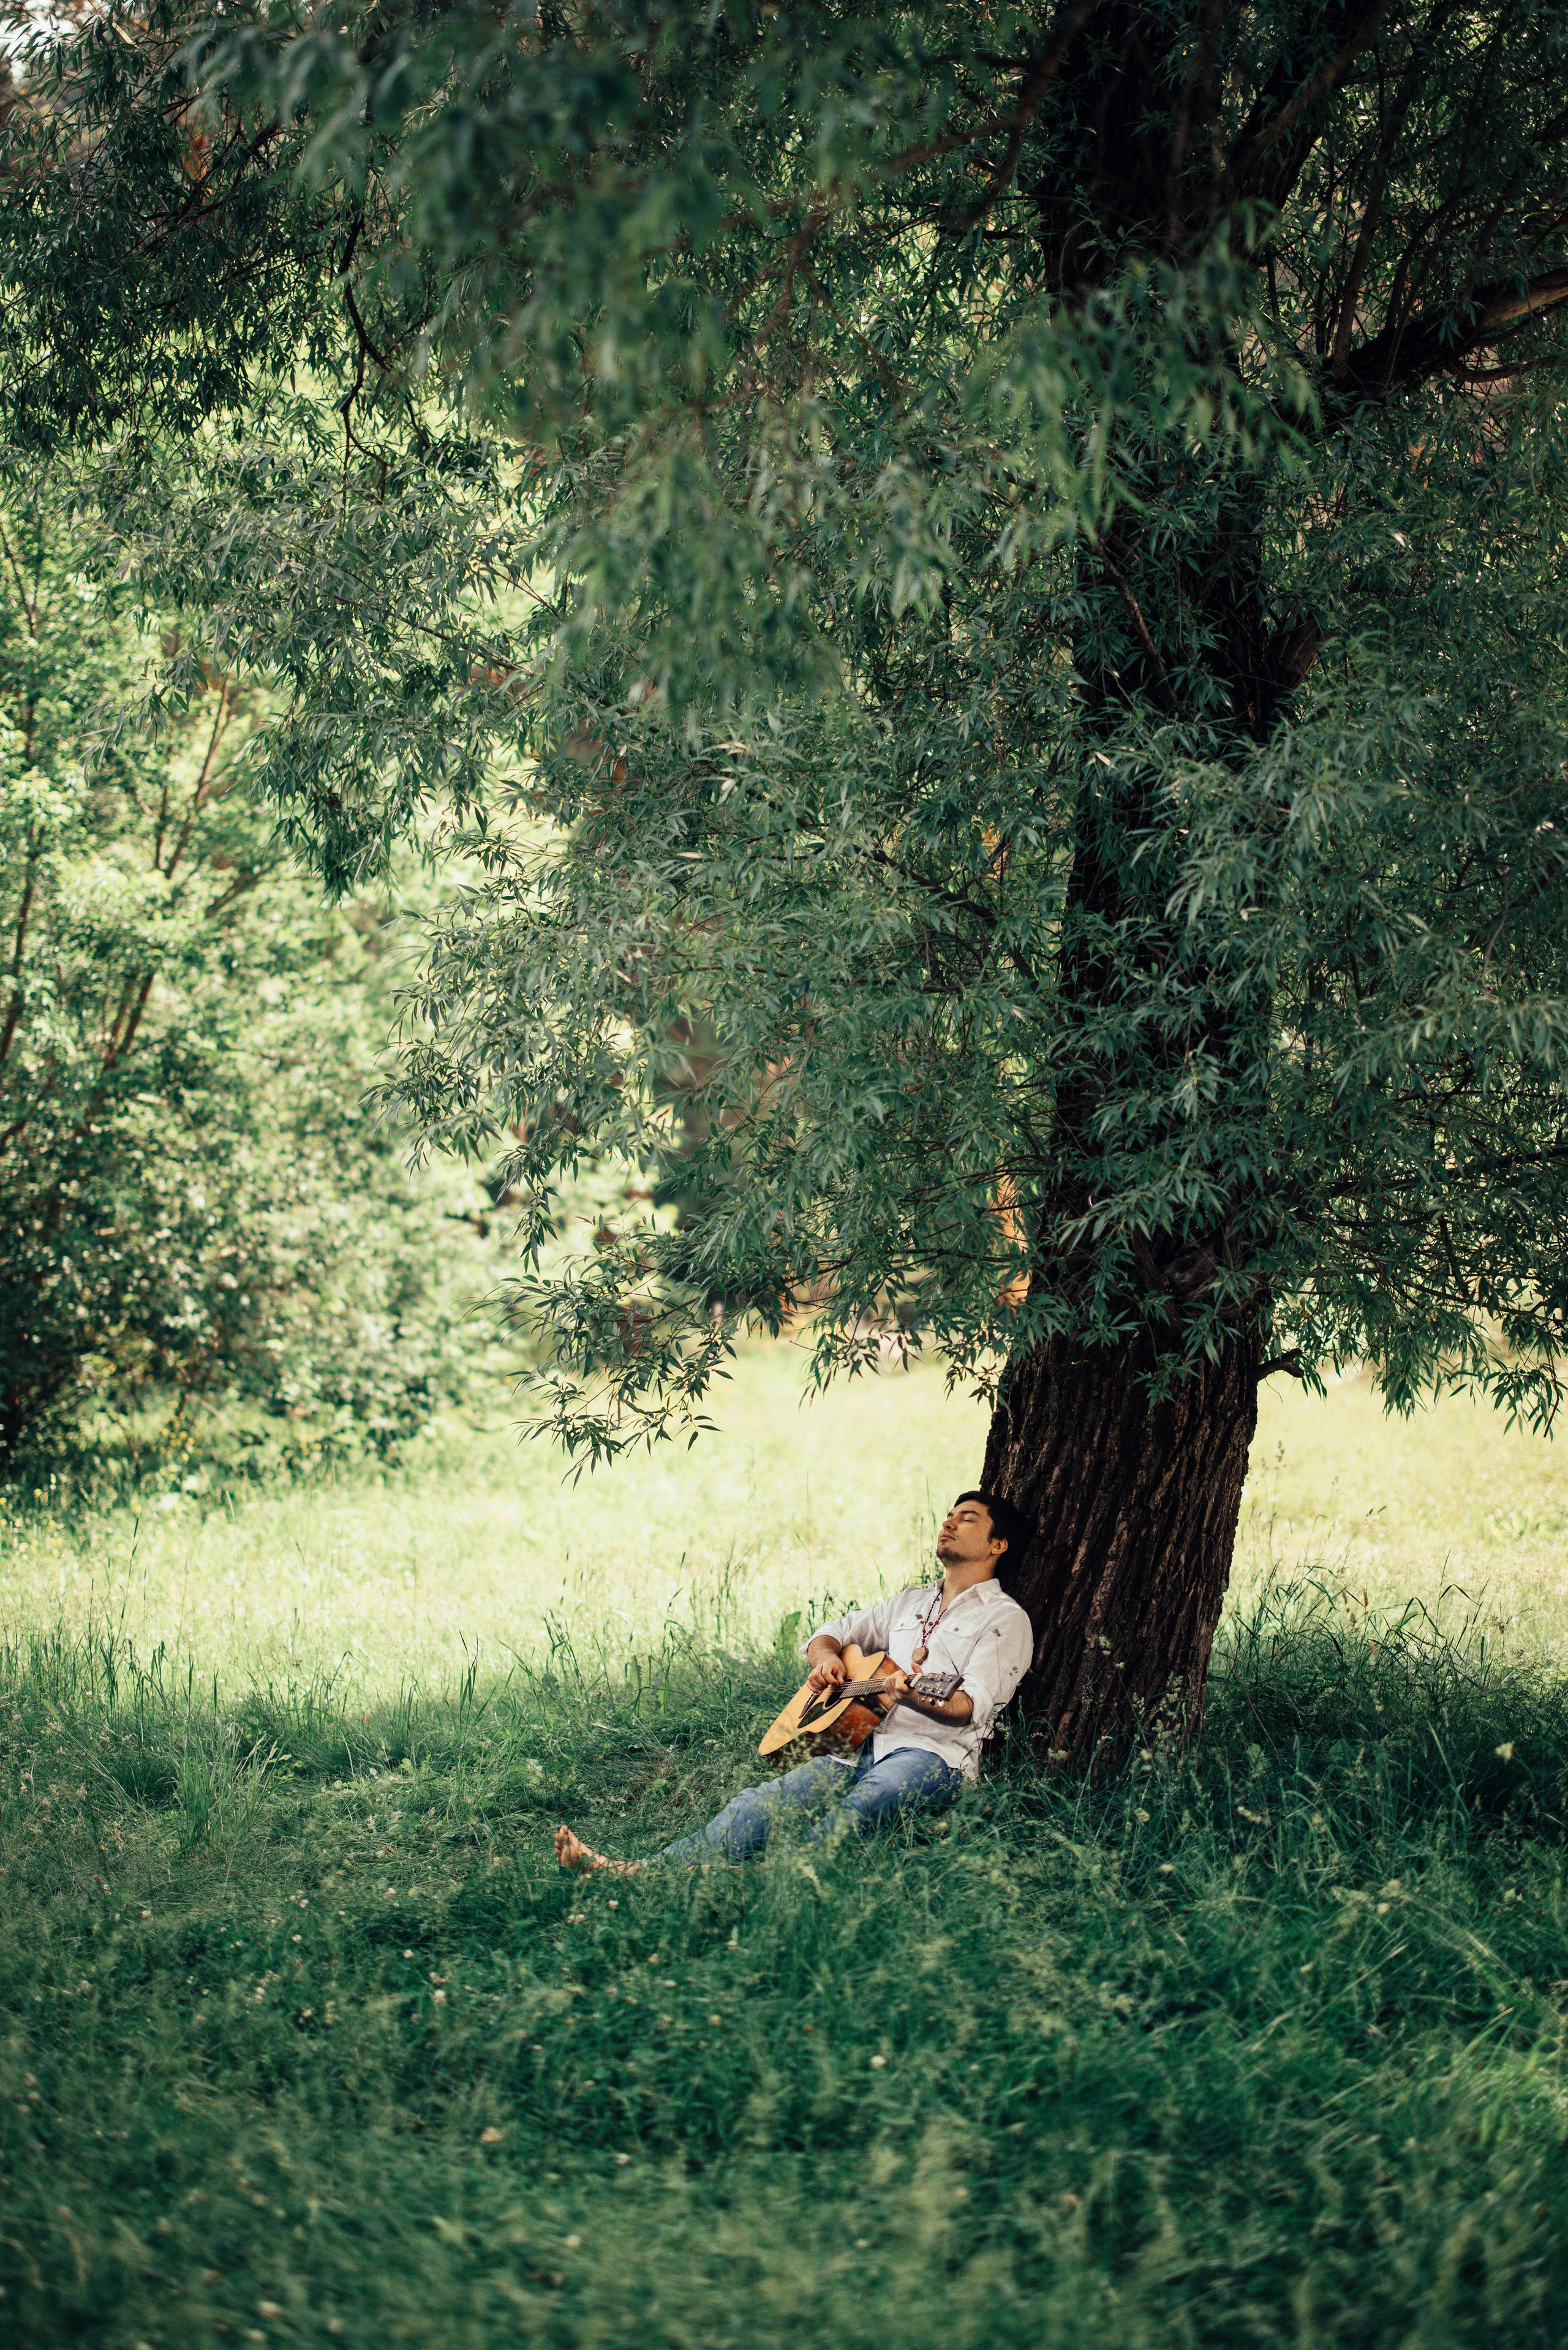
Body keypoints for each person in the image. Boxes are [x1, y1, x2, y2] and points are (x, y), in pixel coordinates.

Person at [554, 1488, 1034, 1873]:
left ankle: (772, 1877)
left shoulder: (1003, 1618)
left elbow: (968, 1707)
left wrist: (913, 1698)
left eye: (967, 1518)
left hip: (934, 1757)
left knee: (867, 1802)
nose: (949, 1522)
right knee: (756, 1804)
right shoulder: (910, 1602)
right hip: (855, 1745)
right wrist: (826, 1661)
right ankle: (637, 1870)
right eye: (949, 1515)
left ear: (998, 1545)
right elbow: (830, 1632)